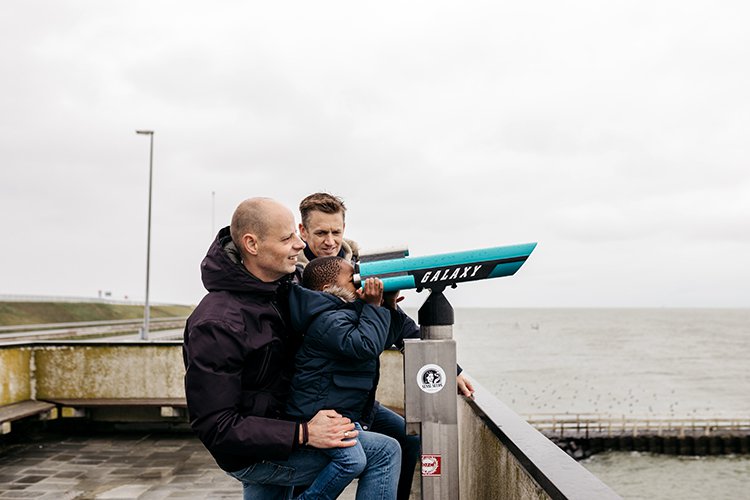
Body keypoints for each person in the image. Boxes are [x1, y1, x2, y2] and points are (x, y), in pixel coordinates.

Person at [183, 197, 401, 500]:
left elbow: (345, 308)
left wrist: (384, 306)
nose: (301, 245)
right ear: (252, 244)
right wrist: (304, 433)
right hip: (255, 450)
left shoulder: (288, 284)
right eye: (288, 238)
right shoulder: (217, 322)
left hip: (287, 421)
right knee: (384, 452)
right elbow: (216, 426)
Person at [297, 192, 475, 500]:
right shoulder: (295, 279)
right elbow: (360, 340)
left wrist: (450, 369)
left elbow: (400, 327)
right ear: (302, 232)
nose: (329, 240)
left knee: (406, 440)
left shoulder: (358, 273)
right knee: (318, 468)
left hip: (354, 398)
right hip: (310, 402)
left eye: (336, 232)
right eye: (321, 232)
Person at [285, 257, 402, 499]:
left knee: (388, 448)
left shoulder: (338, 311)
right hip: (318, 414)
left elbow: (381, 336)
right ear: (328, 289)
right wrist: (373, 305)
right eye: (351, 279)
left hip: (339, 411)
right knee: (354, 461)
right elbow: (366, 346)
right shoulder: (327, 318)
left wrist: (387, 305)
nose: (357, 282)